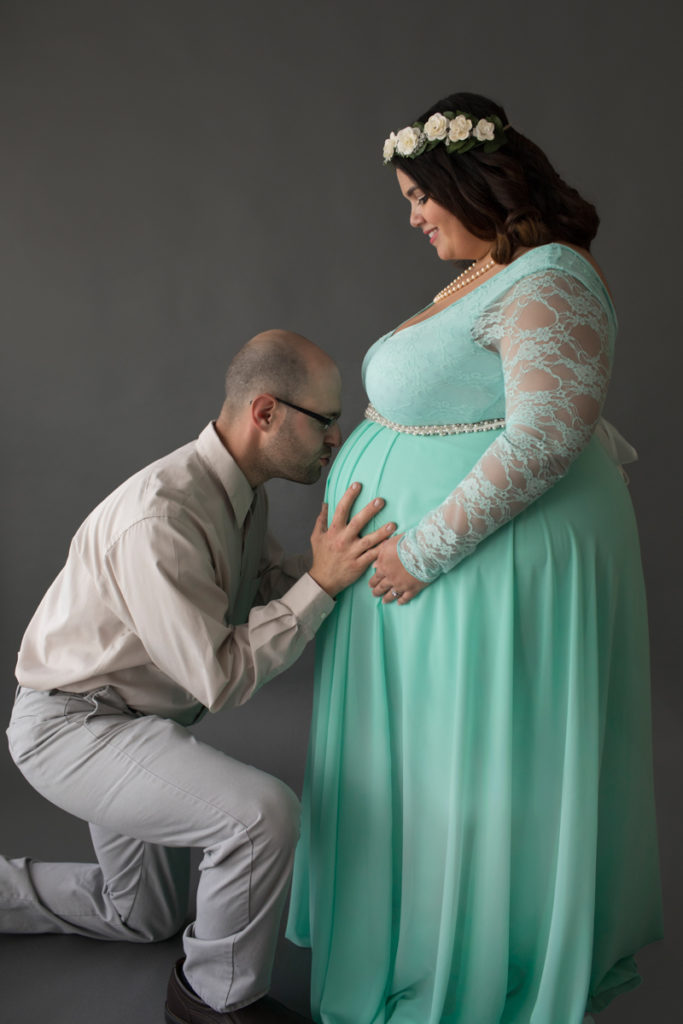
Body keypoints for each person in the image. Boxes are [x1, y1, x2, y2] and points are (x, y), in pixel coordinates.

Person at [286, 94, 663, 1023]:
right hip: (445, 574)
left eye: (420, 195)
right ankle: (425, 937)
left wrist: (422, 548)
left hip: (480, 571)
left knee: (482, 765)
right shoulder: (493, 274)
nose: (413, 215)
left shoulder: (550, 278)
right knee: (437, 770)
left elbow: (546, 436)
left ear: (471, 183)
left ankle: (483, 954)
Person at [2, 329, 396, 1024]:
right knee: (261, 816)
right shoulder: (162, 515)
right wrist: (321, 587)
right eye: (326, 420)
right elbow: (219, 676)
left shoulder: (239, 490)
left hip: (132, 722)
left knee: (140, 916)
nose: (337, 438)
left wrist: (344, 573)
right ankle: (214, 999)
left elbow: (268, 588)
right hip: (74, 728)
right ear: (266, 413)